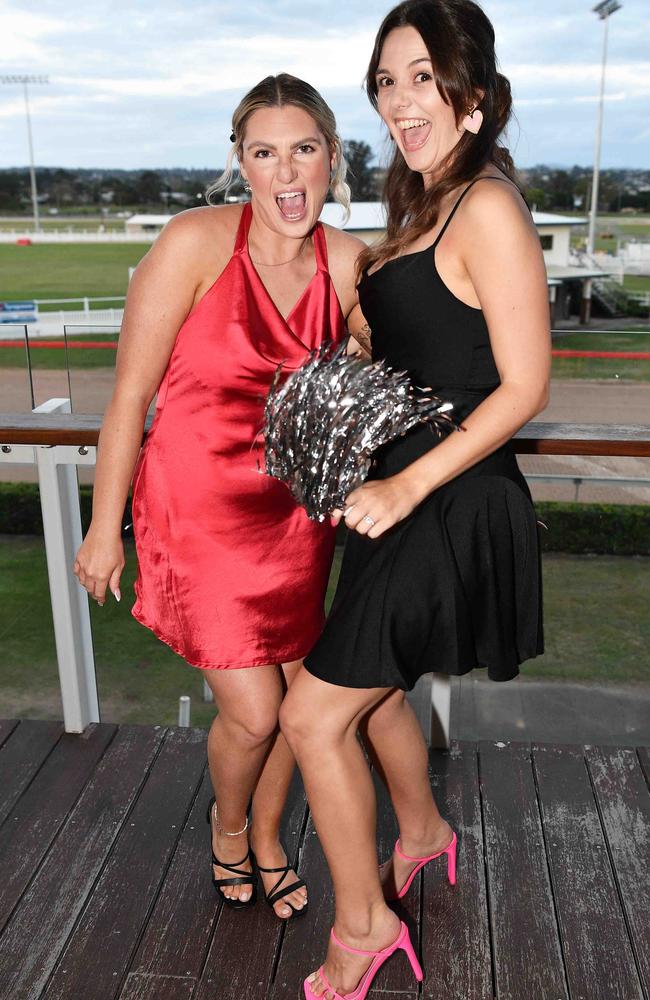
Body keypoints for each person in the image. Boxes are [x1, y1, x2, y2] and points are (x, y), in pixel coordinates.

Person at [278, 1, 551, 996]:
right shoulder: (418, 210)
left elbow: (520, 385)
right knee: (376, 694)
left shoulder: (484, 206)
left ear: (471, 97)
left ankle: (360, 929)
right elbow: (408, 355)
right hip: (402, 494)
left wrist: (403, 483)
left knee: (313, 718)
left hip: (450, 495)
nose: (398, 99)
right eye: (386, 81)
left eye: (420, 77)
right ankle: (423, 831)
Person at [73, 74, 366, 921]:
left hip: (294, 516)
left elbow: (380, 382)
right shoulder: (194, 242)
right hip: (196, 508)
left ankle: (269, 837)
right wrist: (105, 528)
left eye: (304, 148)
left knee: (295, 697)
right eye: (265, 151)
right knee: (255, 708)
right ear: (239, 163)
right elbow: (130, 396)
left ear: (332, 158)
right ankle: (229, 829)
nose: (286, 171)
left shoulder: (348, 264)